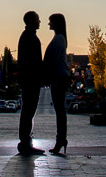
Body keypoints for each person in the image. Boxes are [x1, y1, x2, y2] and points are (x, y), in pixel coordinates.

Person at [17, 10, 44, 155]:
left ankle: (26, 140)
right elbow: (33, 62)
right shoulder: (29, 37)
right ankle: (25, 141)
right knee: (28, 110)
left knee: (28, 110)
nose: (39, 21)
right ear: (31, 20)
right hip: (31, 80)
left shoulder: (28, 36)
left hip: (30, 79)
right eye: (37, 19)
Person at [43, 13, 70, 155]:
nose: (49, 24)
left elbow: (52, 61)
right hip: (59, 77)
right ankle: (61, 140)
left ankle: (61, 139)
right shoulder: (59, 38)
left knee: (59, 110)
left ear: (56, 23)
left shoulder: (59, 39)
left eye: (50, 21)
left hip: (59, 77)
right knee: (59, 110)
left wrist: (47, 77)